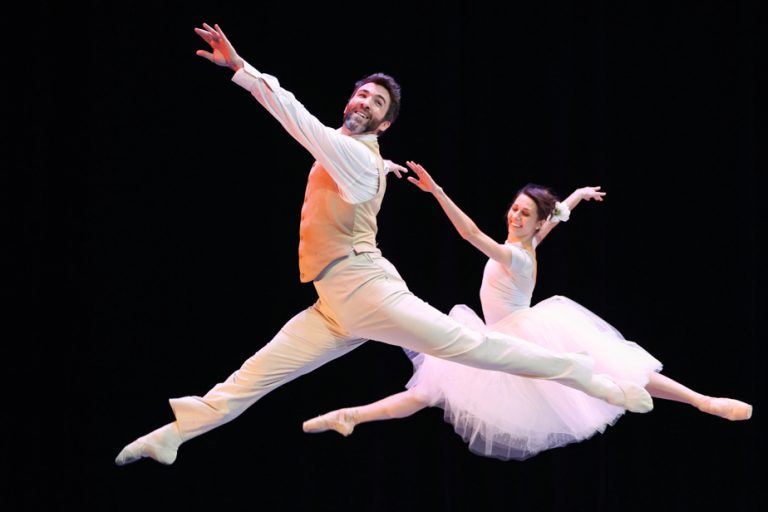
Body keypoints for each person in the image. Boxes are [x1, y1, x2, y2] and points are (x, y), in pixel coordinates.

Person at [114, 23, 655, 467]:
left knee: (477, 349)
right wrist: (381, 167)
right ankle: (176, 435)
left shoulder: (351, 155)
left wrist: (242, 68)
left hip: (368, 290)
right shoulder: (356, 156)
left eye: (376, 102)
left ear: (385, 122)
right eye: (361, 93)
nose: (364, 101)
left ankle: (587, 378)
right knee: (256, 374)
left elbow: (298, 120)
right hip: (335, 304)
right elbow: (348, 159)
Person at [302, 162, 753, 460]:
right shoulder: (530, 243)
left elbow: (471, 234)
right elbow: (556, 219)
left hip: (518, 335)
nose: (515, 217)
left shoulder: (515, 255)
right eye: (515, 209)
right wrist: (574, 197)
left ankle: (703, 401)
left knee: (614, 365)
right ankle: (352, 416)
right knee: (426, 393)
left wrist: (436, 190)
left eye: (524, 214)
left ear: (535, 222)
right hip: (495, 335)